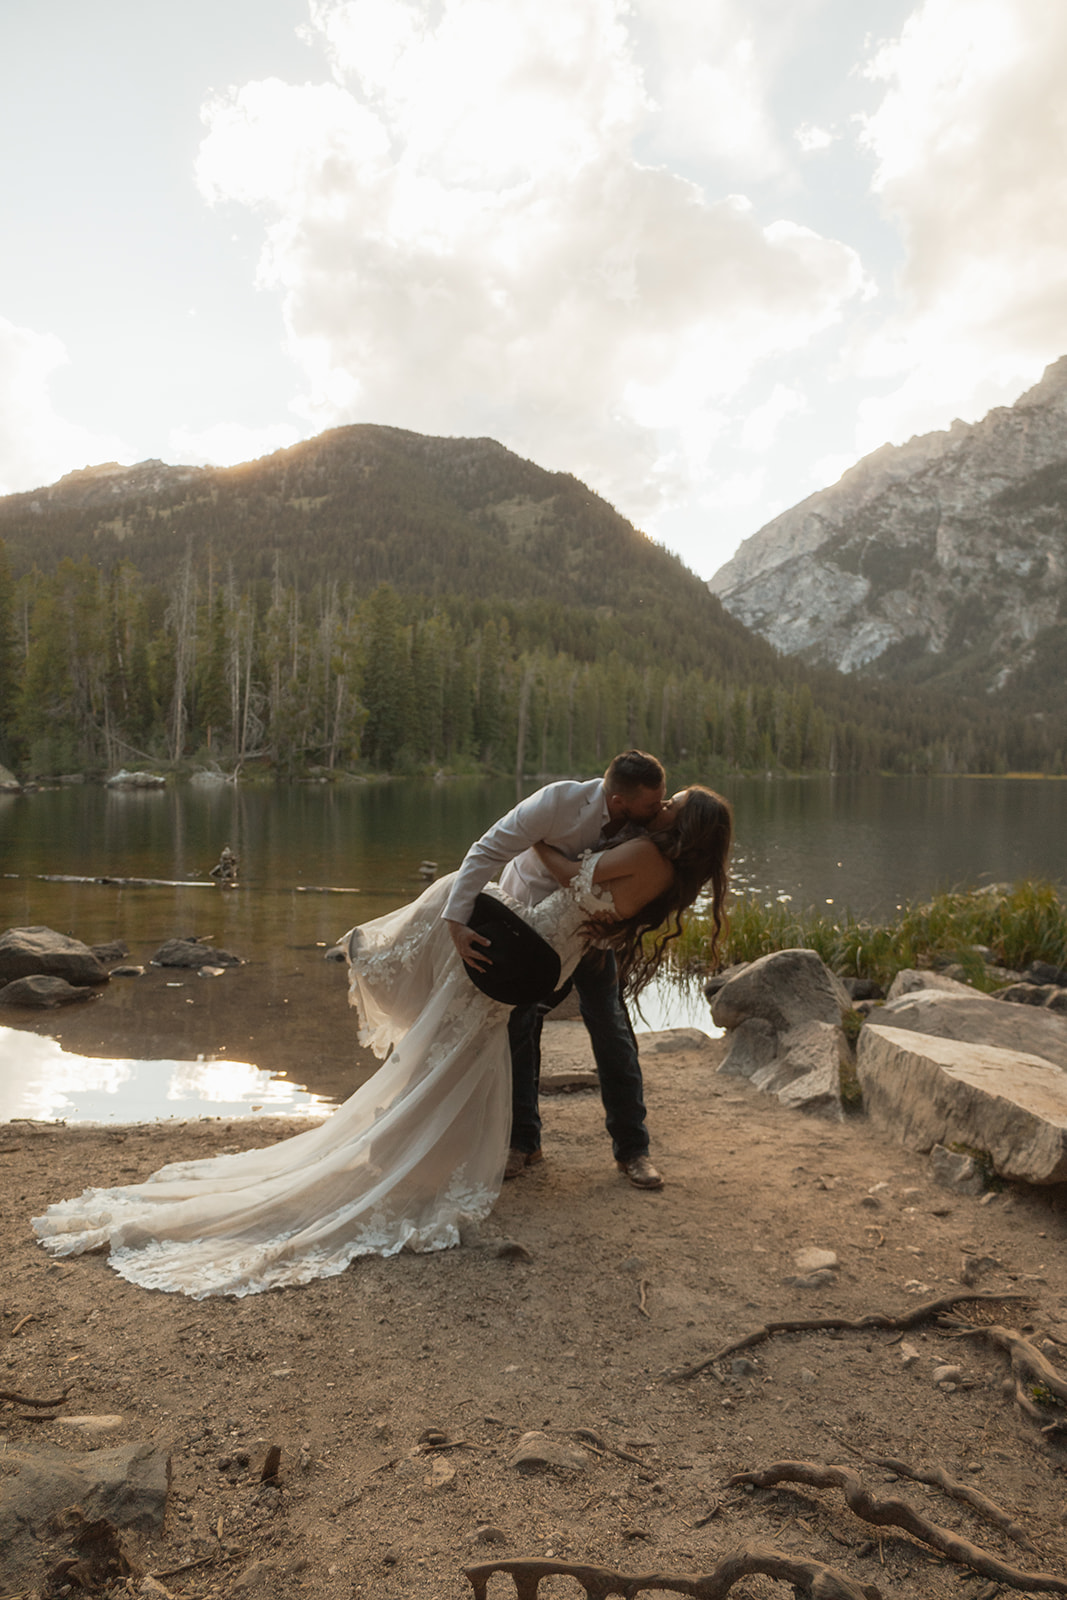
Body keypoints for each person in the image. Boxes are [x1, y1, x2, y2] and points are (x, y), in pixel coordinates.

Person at [30, 787, 731, 1300]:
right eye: (661, 797)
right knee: (474, 1041)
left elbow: (569, 876)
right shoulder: (661, 868)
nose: (664, 804)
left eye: (675, 804)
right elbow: (559, 873)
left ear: (683, 825)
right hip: (550, 944)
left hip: (544, 939)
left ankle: (425, 1147)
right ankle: (459, 1147)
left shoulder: (642, 848)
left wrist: (540, 850)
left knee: (474, 1037)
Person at [443, 751, 668, 1188]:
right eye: (650, 804)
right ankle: (523, 1142)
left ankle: (633, 1150)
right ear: (620, 800)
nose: (658, 809)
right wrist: (455, 920)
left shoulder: (651, 824)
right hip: (532, 930)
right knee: (520, 1029)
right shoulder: (557, 803)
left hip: (595, 939)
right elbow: (486, 850)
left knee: (612, 1030)